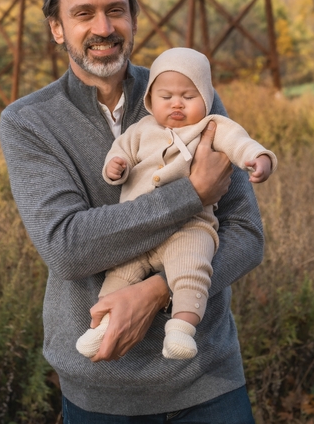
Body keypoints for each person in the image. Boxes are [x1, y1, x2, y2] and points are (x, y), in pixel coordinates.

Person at [0, 0, 264, 424]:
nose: (104, 27)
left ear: (134, 19)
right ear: (57, 28)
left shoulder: (189, 96)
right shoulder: (28, 122)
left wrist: (160, 291)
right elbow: (67, 247)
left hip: (207, 378)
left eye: (116, 10)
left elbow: (246, 233)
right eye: (83, 14)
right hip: (101, 391)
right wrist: (192, 194)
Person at [76, 47, 276, 362]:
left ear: (207, 99)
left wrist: (257, 158)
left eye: (188, 95)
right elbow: (121, 152)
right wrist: (115, 166)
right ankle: (102, 325)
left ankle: (181, 328)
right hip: (138, 234)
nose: (177, 103)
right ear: (151, 101)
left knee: (191, 268)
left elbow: (240, 142)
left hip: (190, 226)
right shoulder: (142, 130)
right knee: (120, 274)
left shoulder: (211, 127)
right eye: (166, 96)